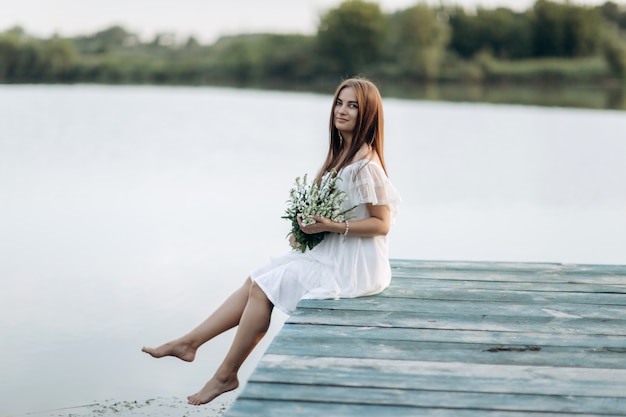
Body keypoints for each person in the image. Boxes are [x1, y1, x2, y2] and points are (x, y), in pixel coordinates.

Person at [141, 77, 401, 406]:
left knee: (265, 287)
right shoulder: (340, 158)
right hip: (334, 255)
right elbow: (339, 213)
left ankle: (225, 375)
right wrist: (308, 231)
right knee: (257, 278)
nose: (343, 111)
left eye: (353, 106)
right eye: (339, 102)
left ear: (368, 115)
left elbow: (382, 224)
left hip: (355, 270)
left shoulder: (365, 165)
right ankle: (190, 342)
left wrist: (332, 225)